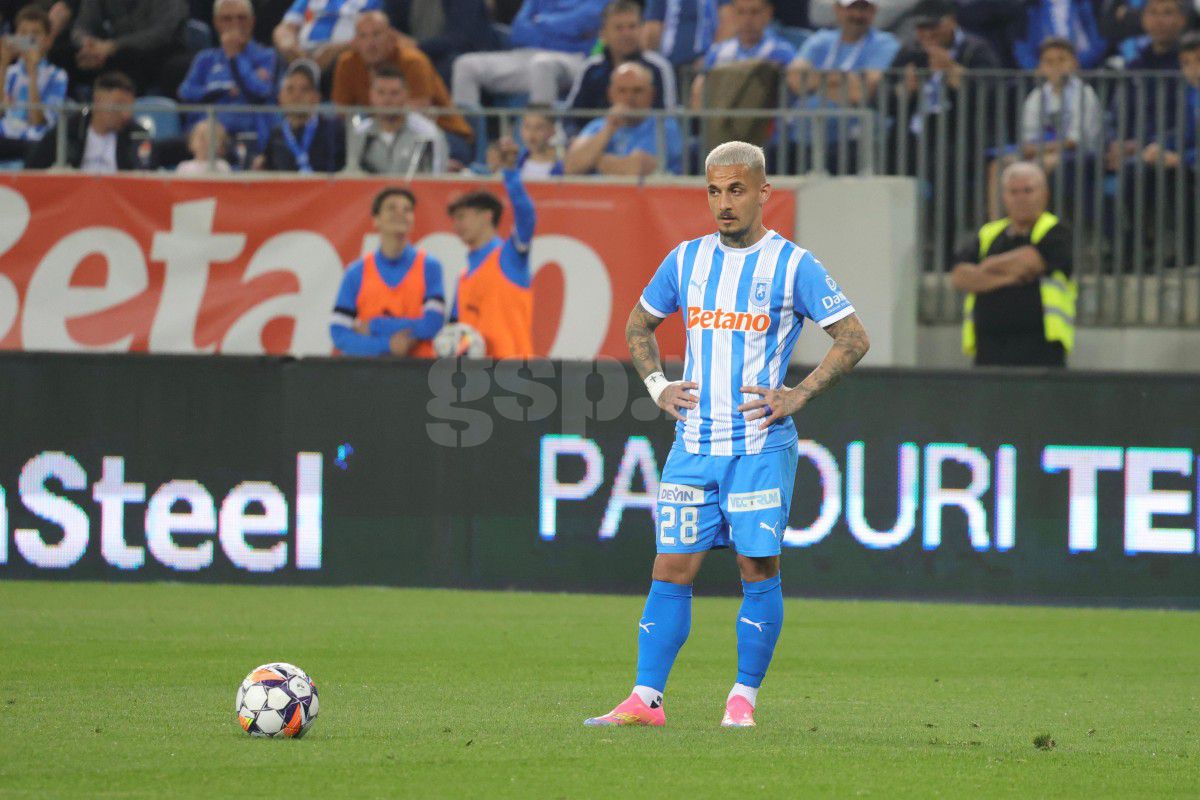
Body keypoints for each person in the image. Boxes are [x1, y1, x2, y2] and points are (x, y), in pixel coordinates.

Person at [585, 140, 869, 729]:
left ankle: (742, 699)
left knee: (756, 569)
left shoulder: (794, 265)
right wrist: (658, 385)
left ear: (764, 193)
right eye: (714, 190)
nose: (724, 202)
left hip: (759, 448)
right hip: (693, 446)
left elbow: (853, 337)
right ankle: (646, 700)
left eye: (736, 189)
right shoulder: (686, 260)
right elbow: (640, 323)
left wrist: (799, 393)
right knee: (670, 568)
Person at [950, 161, 1076, 368]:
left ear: (1045, 194)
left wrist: (985, 268)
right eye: (1013, 192)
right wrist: (1010, 276)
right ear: (1004, 196)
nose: (1020, 198)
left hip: (1041, 352)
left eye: (1028, 190)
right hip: (988, 351)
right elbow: (960, 276)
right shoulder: (988, 233)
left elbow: (1029, 261)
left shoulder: (1055, 230)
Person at [330, 10, 472, 163]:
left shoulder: (414, 61)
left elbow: (418, 112)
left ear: (391, 36)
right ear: (355, 41)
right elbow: (342, 112)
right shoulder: (347, 63)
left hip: (441, 131)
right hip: (380, 132)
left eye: (376, 35)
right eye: (363, 36)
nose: (370, 44)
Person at [330, 186, 446, 357]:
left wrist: (374, 326)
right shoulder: (356, 272)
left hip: (418, 373)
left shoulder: (430, 267)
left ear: (413, 221)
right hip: (368, 376)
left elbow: (433, 324)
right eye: (392, 208)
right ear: (376, 220)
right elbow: (338, 333)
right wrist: (387, 345)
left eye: (407, 209)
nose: (400, 213)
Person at [446, 146, 537, 359]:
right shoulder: (463, 276)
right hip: (474, 383)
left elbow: (527, 217)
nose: (456, 225)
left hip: (515, 377)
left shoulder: (509, 257)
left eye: (462, 216)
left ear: (487, 216)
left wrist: (510, 173)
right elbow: (458, 332)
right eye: (455, 219)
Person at [450, 0, 609, 107]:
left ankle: (538, 152)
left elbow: (579, 23)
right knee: (466, 65)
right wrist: (561, 32)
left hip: (577, 59)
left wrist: (539, 22)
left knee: (542, 65)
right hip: (528, 54)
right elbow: (518, 30)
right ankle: (466, 142)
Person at [563, 0, 677, 135]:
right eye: (619, 28)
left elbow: (668, 118)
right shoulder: (590, 68)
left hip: (646, 147)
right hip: (596, 145)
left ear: (641, 29)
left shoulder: (659, 67)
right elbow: (572, 118)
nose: (626, 33)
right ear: (603, 33)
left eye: (632, 26)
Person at [177, 0, 277, 140]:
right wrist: (222, 90)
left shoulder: (267, 57)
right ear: (216, 22)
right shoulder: (205, 59)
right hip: (205, 135)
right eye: (227, 19)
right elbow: (186, 92)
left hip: (247, 135)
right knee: (160, 149)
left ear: (252, 21)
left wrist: (235, 57)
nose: (235, 24)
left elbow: (261, 92)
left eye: (241, 18)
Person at [564, 61, 683, 175]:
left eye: (637, 91)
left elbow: (635, 169)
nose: (629, 97)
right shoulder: (598, 126)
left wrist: (591, 159)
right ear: (610, 94)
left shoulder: (664, 126)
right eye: (622, 91)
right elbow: (570, 166)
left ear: (651, 94)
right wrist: (608, 129)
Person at [26, 69, 150, 169]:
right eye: (119, 105)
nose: (126, 114)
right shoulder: (68, 131)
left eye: (130, 107)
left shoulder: (136, 136)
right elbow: (33, 168)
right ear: (98, 99)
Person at [691, 0, 795, 109]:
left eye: (754, 12)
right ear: (733, 13)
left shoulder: (783, 53)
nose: (747, 20)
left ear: (768, 13)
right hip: (723, 122)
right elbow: (698, 102)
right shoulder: (717, 53)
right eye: (741, 12)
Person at [70, 0, 190, 94]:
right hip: (117, 54)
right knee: (69, 57)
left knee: (128, 63)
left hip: (162, 53)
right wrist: (87, 44)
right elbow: (82, 26)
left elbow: (163, 33)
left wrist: (113, 46)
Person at [0, 4, 68, 162]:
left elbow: (37, 120)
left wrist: (32, 74)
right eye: (23, 33)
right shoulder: (10, 73)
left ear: (48, 40)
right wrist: (3, 66)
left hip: (33, 142)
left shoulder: (57, 76)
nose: (28, 39)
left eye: (35, 33)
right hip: (6, 137)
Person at [352, 63, 447, 174]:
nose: (387, 100)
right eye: (381, 93)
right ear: (371, 95)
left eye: (394, 93)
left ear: (406, 95)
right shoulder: (360, 133)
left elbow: (437, 178)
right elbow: (354, 175)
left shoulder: (428, 134)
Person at [256, 59, 345, 172]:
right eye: (290, 89)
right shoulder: (276, 135)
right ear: (280, 97)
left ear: (316, 97)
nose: (296, 95)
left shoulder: (334, 130)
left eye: (305, 89)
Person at [386, 0, 502, 85]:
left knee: (452, 66)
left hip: (458, 55)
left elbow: (459, 39)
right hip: (414, 53)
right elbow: (389, 27)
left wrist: (417, 46)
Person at [273, 0, 381, 73]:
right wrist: (289, 46)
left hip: (344, 57)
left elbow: (379, 34)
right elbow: (285, 27)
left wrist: (335, 51)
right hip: (301, 55)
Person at [487, 106, 563, 178]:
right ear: (520, 129)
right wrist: (504, 165)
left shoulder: (564, 161)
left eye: (539, 127)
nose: (531, 133)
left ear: (552, 130)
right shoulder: (515, 159)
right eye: (527, 127)